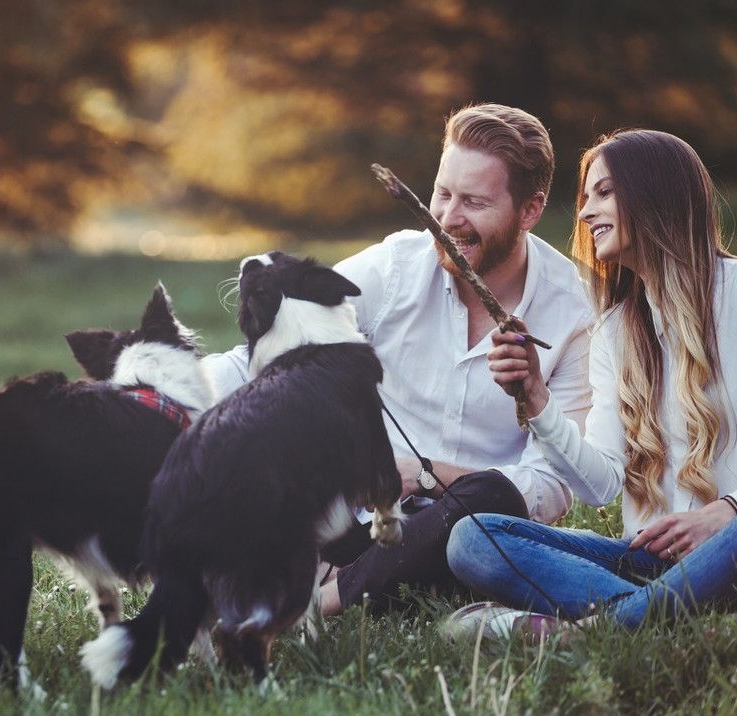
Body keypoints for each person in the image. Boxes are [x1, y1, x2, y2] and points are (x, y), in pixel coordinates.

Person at [203, 103, 595, 615]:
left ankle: (316, 605)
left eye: (474, 202)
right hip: (357, 520)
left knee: (491, 502)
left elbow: (550, 485)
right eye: (442, 193)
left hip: (464, 533)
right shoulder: (396, 265)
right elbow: (276, 353)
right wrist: (171, 399)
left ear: (530, 210)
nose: (448, 219)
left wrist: (426, 474)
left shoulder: (575, 314)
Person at [445, 129, 737, 633]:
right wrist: (538, 399)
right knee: (474, 539)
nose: (584, 213)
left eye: (603, 193)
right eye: (585, 198)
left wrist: (725, 512)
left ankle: (594, 630)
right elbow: (599, 483)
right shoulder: (613, 330)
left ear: (656, 193)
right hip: (661, 563)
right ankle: (686, 623)